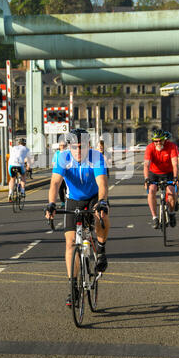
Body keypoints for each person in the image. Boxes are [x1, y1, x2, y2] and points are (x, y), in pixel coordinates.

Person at [45, 128, 110, 307]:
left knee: (101, 215)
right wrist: (51, 204)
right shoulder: (62, 158)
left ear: (89, 145)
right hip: (73, 199)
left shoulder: (97, 157)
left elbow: (102, 184)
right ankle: (73, 289)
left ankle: (102, 250)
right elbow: (55, 183)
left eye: (82, 147)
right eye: (74, 147)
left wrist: (102, 202)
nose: (78, 151)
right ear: (69, 147)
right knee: (70, 242)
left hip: (94, 196)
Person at [144, 129, 179, 229]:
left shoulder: (171, 146)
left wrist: (176, 177)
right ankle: (155, 217)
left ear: (164, 140)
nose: (158, 143)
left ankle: (171, 213)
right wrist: (146, 178)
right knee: (151, 191)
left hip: (168, 173)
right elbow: (146, 165)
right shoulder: (150, 148)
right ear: (153, 141)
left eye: (161, 140)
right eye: (156, 141)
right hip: (154, 173)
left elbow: (175, 164)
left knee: (171, 192)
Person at [52, 139, 67, 208]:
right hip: (59, 173)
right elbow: (54, 163)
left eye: (64, 145)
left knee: (67, 188)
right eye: (61, 145)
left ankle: (68, 201)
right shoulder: (57, 153)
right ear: (59, 146)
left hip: (67, 173)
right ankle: (63, 202)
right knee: (60, 188)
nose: (62, 146)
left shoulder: (68, 152)